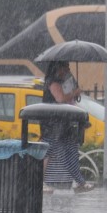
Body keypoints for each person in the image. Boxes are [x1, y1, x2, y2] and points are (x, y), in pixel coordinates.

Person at [41, 61, 93, 194]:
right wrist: (74, 92)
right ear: (58, 68)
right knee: (48, 150)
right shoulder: (53, 82)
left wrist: (74, 91)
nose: (68, 70)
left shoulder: (65, 82)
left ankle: (80, 182)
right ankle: (39, 181)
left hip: (65, 123)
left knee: (71, 150)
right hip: (53, 124)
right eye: (66, 67)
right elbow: (60, 98)